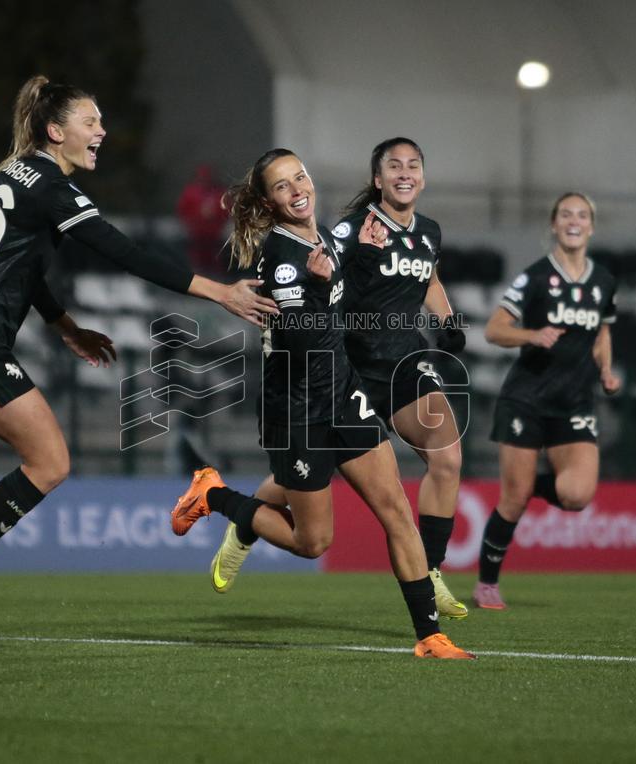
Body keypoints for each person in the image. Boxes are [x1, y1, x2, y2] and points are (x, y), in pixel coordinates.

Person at [0, 74, 277, 655]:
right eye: (90, 122)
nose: (102, 131)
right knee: (50, 461)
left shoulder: (19, 172)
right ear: (56, 130)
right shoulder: (51, 187)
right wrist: (219, 291)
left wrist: (63, 325)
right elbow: (120, 250)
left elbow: (20, 265)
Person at [170, 148, 475, 659]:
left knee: (396, 509)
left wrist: (358, 251)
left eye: (301, 177)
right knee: (313, 543)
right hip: (297, 407)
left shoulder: (327, 239)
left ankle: (430, 637)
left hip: (344, 394)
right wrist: (319, 285)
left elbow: (356, 270)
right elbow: (297, 336)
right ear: (269, 202)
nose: (297, 189)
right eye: (283, 186)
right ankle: (214, 494)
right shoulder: (284, 257)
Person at [474, 192, 620, 609]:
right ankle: (487, 583)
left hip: (574, 403)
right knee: (512, 501)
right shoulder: (535, 277)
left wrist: (606, 369)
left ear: (591, 226)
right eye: (565, 214)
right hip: (526, 400)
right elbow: (494, 330)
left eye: (582, 215)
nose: (574, 221)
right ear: (554, 226)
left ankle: (527, 489)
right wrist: (530, 335)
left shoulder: (604, 281)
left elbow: (603, 331)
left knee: (576, 496)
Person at [176, 164, 230, 275]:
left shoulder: (219, 193)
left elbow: (227, 211)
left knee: (215, 257)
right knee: (197, 258)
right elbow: (182, 210)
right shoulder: (190, 192)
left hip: (214, 234)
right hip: (196, 233)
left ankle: (215, 278)